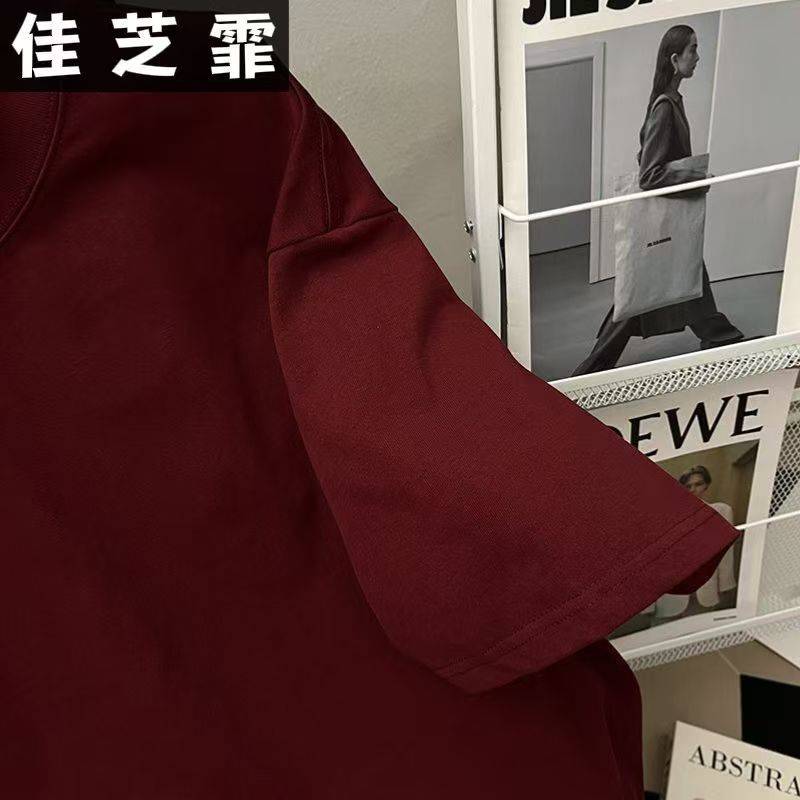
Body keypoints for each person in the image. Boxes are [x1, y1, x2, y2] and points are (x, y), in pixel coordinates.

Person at [0, 73, 740, 799]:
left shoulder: (146, 78)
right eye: (688, 58)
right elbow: (386, 358)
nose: (691, 68)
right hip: (392, 696)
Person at [573, 24, 743, 376]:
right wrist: (695, 179)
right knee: (644, 293)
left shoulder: (670, 101)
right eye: (693, 49)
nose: (698, 57)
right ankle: (589, 373)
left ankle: (723, 339)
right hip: (670, 218)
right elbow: (649, 174)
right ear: (675, 58)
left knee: (684, 279)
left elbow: (646, 158)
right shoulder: (665, 107)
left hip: (675, 218)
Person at [648, 465, 739, 619]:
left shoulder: (721, 511)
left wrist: (726, 585)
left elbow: (725, 553)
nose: (693, 490)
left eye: (698, 484)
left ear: (706, 485)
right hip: (671, 592)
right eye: (688, 486)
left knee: (703, 625)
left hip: (706, 588)